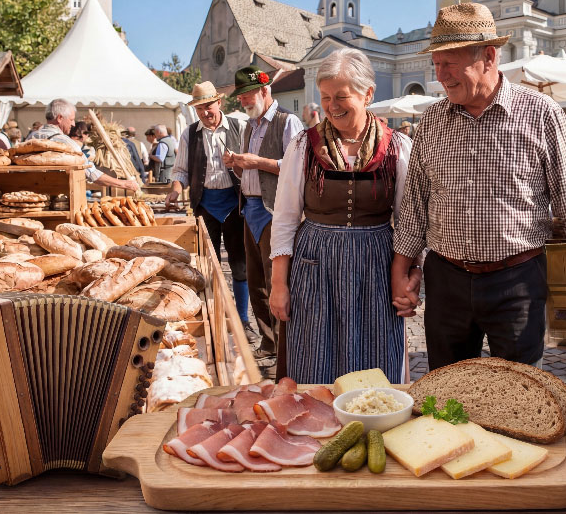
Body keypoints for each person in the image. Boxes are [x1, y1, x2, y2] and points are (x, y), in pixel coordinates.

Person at [391, 3, 566, 369]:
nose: (440, 76)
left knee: (519, 393)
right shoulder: (431, 122)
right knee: (446, 391)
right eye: (436, 64)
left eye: (449, 63)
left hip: (517, 281)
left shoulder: (541, 113)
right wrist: (401, 272)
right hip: (446, 280)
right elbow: (413, 207)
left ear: (488, 56)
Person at [270, 48, 412, 383]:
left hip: (376, 263)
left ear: (368, 95)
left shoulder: (397, 147)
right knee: (314, 354)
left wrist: (408, 276)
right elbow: (286, 217)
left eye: (342, 97)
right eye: (326, 97)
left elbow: (408, 222)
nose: (332, 106)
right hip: (315, 264)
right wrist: (279, 284)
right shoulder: (305, 145)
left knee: (377, 354)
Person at [222, 66, 303, 371]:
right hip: (250, 208)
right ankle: (268, 343)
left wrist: (257, 162)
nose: (243, 101)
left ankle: (285, 351)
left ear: (265, 91)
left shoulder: (288, 121)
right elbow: (248, 171)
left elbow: (297, 165)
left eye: (247, 95)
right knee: (256, 282)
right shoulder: (248, 127)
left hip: (275, 211)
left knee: (276, 282)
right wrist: (236, 165)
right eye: (240, 96)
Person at [166, 82, 254, 344]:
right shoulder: (189, 134)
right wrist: (174, 189)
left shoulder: (240, 127)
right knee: (208, 268)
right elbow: (180, 171)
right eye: (200, 108)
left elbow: (252, 166)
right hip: (205, 206)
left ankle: (242, 320)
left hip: (235, 205)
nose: (205, 112)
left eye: (209, 106)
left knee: (240, 265)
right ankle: (215, 319)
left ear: (219, 103)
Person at [27, 99, 139, 192]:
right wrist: (124, 184)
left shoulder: (30, 138)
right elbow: (92, 174)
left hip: (32, 195)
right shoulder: (66, 143)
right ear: (60, 118)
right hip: (61, 200)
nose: (73, 124)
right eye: (71, 119)